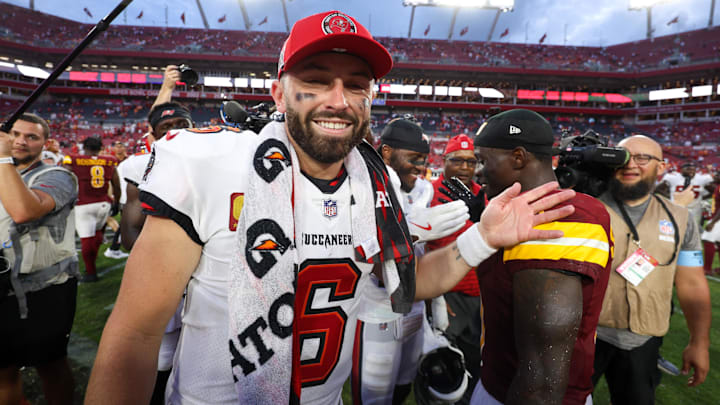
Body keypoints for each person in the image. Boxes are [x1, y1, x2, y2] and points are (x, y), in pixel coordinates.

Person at [85, 11, 576, 405]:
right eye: (316, 81)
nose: (339, 100)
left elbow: (404, 287)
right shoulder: (215, 165)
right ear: (278, 92)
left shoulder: (373, 181)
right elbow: (134, 332)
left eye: (356, 85)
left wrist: (481, 238)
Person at [469, 109, 613, 405]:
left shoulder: (558, 221)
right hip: (497, 378)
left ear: (519, 158)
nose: (477, 172)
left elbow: (542, 381)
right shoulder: (518, 210)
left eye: (484, 160)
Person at [352, 118, 469, 404]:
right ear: (388, 152)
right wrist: (408, 231)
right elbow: (371, 262)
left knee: (404, 384)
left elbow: (422, 255)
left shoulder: (423, 190)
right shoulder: (363, 185)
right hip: (379, 311)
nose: (421, 166)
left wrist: (436, 301)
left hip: (415, 309)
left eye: (424, 159)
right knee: (374, 396)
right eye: (414, 158)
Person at [591, 135, 711, 404]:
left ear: (661, 167)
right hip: (585, 336)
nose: (630, 164)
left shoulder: (680, 219)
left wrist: (699, 343)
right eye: (623, 156)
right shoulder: (588, 208)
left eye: (642, 158)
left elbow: (692, 284)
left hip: (643, 341)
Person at [0, 113, 79, 405]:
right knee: (4, 368)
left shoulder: (58, 175)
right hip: (2, 285)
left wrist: (2, 158)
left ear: (45, 143)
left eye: (31, 136)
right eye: (15, 134)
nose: (21, 141)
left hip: (45, 288)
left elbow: (24, 211)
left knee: (50, 363)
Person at [426, 133, 485, 404]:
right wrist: (435, 295)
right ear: (444, 160)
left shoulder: (484, 196)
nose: (464, 168)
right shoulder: (428, 194)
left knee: (475, 361)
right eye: (457, 161)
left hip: (479, 297)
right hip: (445, 294)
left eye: (470, 162)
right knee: (440, 364)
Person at [63, 136, 121, 282]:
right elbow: (117, 184)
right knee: (96, 234)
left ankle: (91, 272)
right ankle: (91, 265)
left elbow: (64, 176)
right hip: (104, 203)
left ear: (84, 147)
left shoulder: (72, 159)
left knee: (86, 238)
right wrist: (117, 202)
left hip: (84, 203)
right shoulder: (109, 160)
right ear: (101, 147)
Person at [659, 161, 715, 225]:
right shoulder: (673, 177)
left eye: (693, 170)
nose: (691, 171)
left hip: (694, 209)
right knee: (675, 226)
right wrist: (671, 197)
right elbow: (657, 189)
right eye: (688, 169)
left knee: (693, 228)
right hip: (677, 207)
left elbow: (714, 191)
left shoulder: (701, 179)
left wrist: (702, 197)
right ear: (681, 170)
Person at [701, 178, 720, 275]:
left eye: (718, 175)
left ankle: (707, 269)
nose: (715, 176)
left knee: (707, 239)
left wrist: (713, 222)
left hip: (718, 218)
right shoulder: (718, 187)